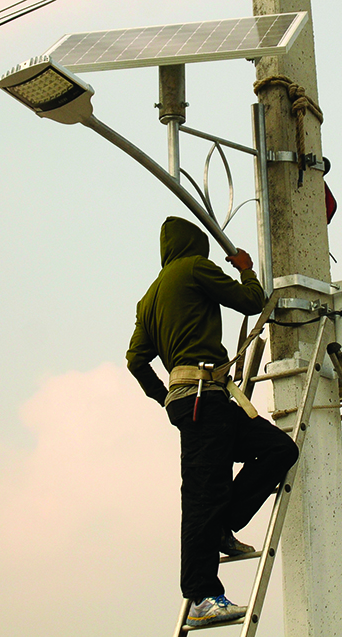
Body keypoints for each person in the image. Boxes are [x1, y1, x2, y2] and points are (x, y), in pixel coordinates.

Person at [125, 216, 298, 627]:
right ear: (195, 245)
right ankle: (202, 594)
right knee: (204, 492)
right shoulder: (194, 267)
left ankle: (222, 526)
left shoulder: (148, 299)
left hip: (204, 402)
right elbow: (252, 302)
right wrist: (246, 269)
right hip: (205, 401)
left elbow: (136, 360)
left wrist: (164, 396)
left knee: (279, 450)